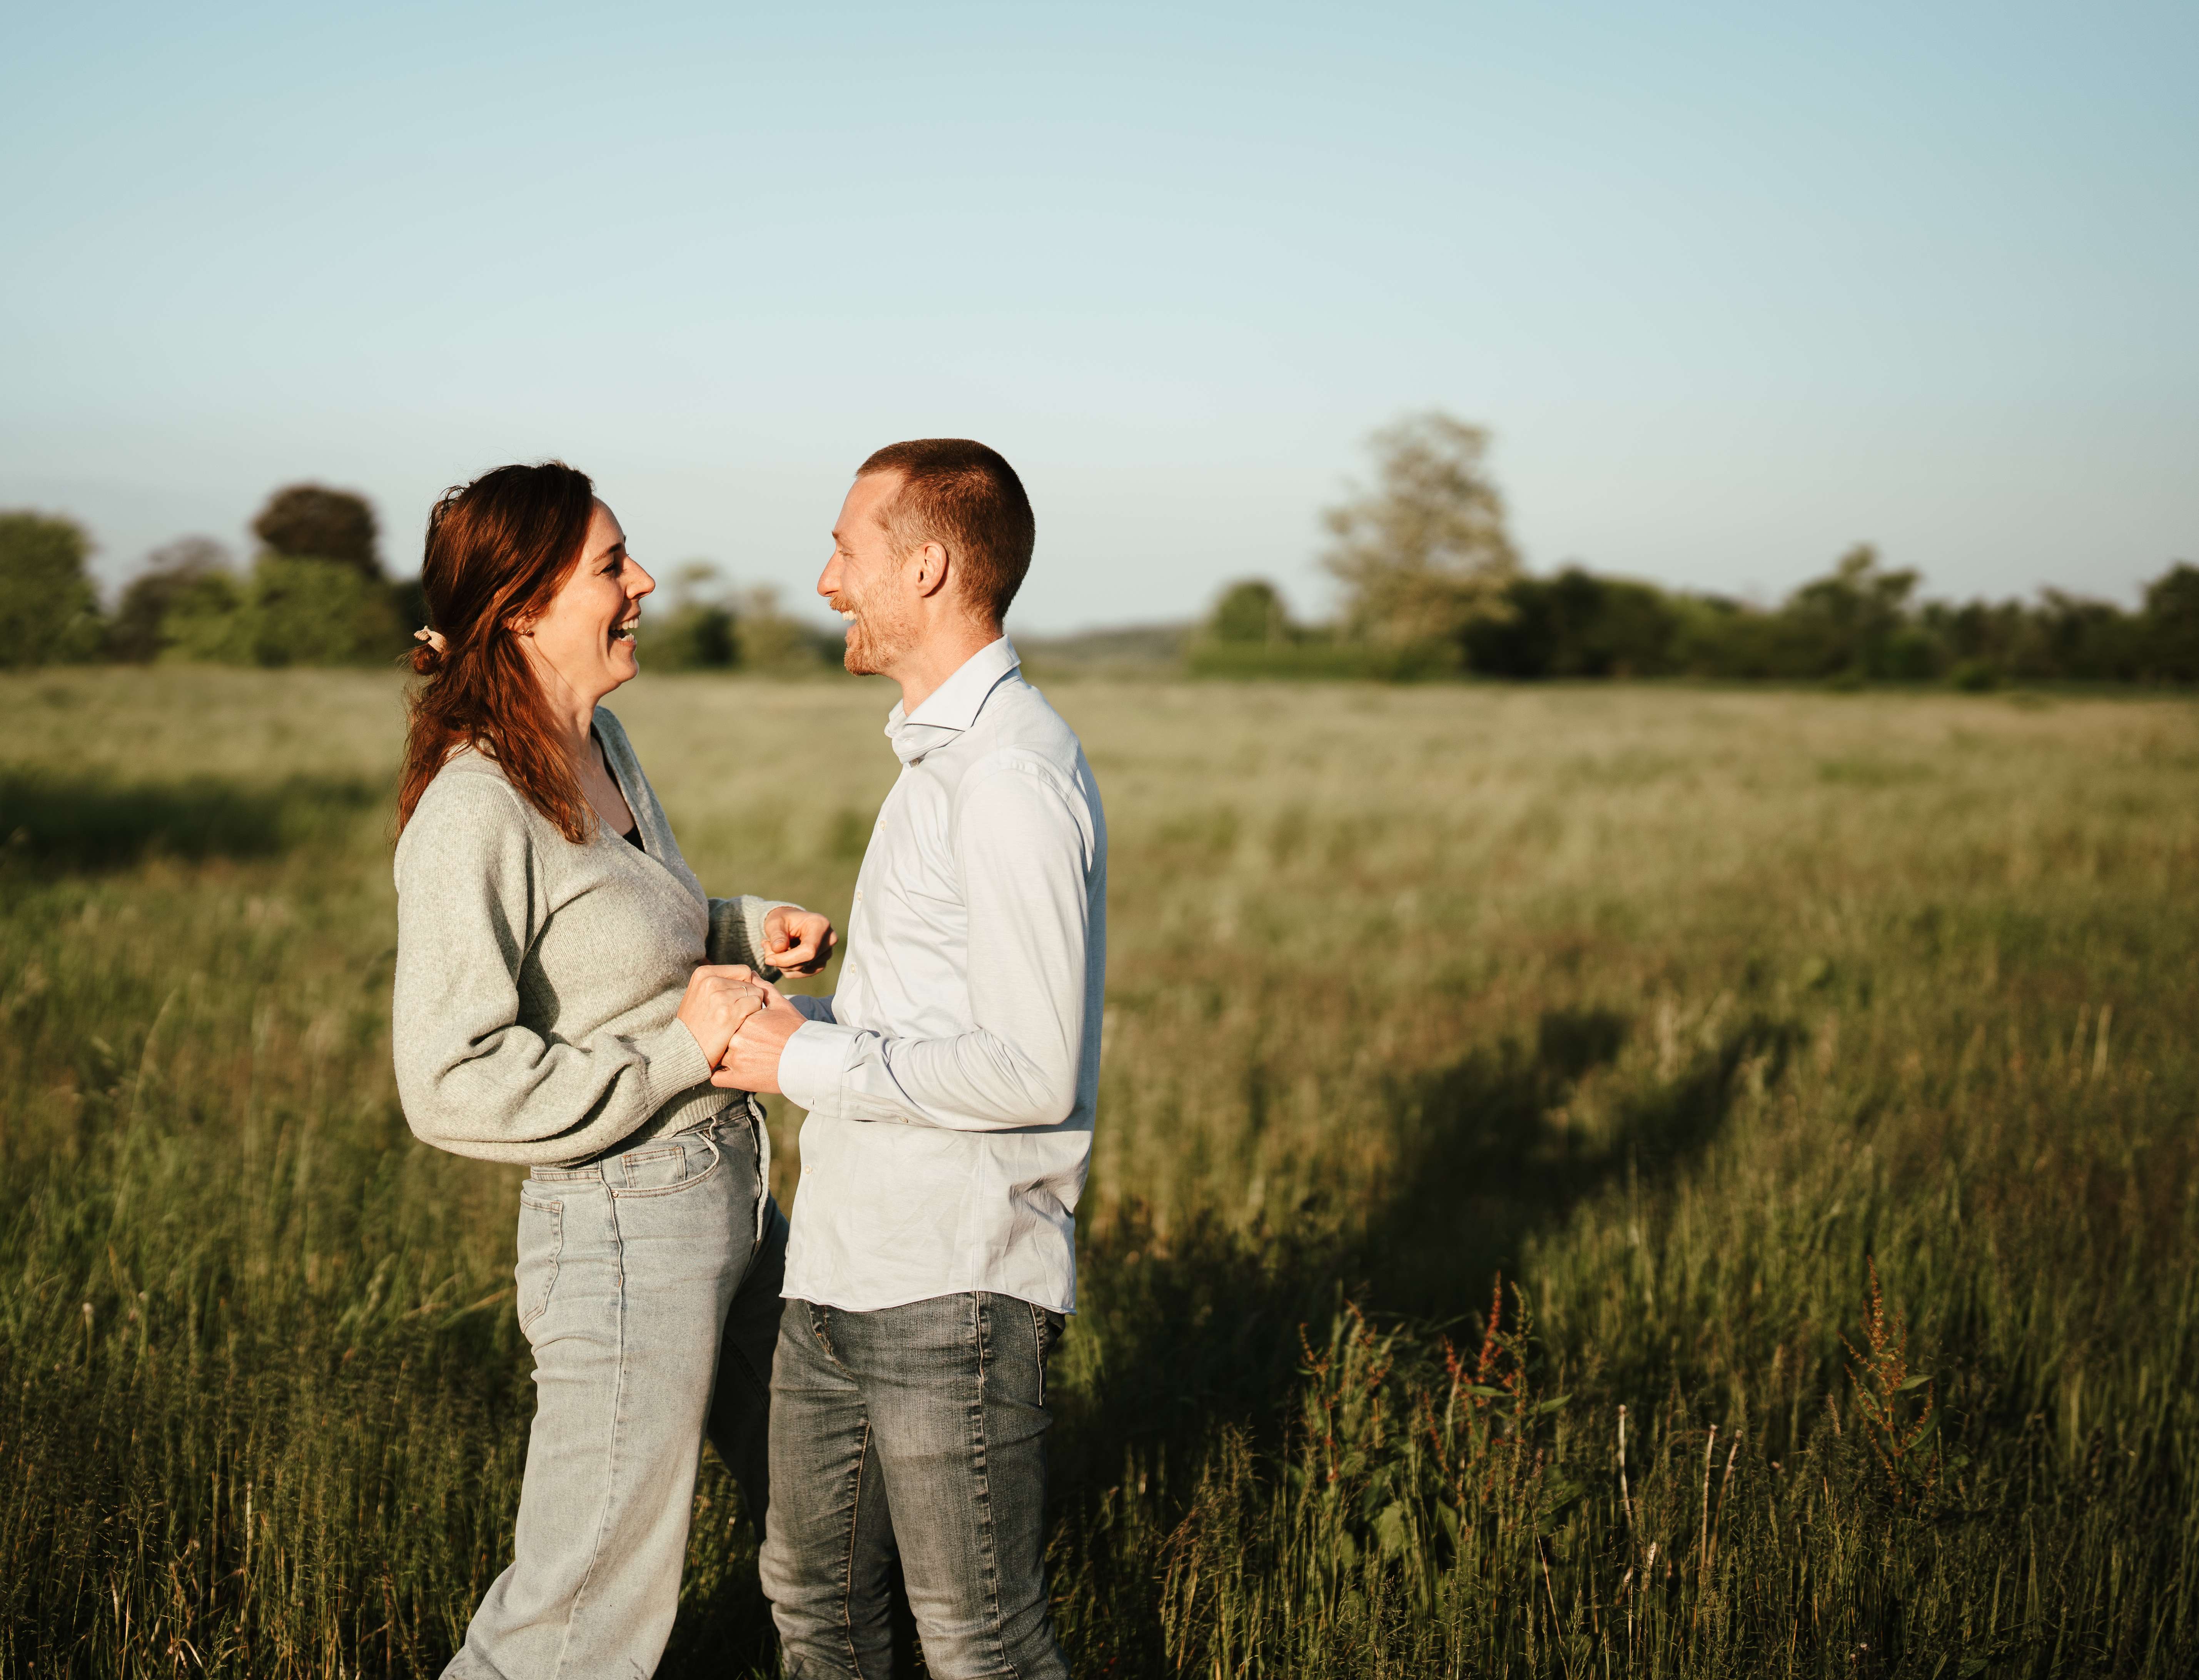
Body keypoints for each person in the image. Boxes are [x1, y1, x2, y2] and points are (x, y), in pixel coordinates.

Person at [389, 460, 835, 1680]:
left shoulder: (605, 744)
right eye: (611, 565)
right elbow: (448, 1079)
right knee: (583, 1610)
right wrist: (680, 1046)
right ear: (525, 604)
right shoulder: (472, 808)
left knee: (833, 1496)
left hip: (734, 1198)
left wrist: (745, 929)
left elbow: (625, 939)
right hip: (624, 1229)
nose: (643, 582)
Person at [717, 439, 1104, 1680]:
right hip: (840, 1265)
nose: (828, 580)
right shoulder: (937, 763)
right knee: (812, 1604)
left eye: (846, 548)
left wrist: (804, 1063)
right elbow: (934, 1019)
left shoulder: (1008, 777)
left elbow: (1031, 1069)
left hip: (953, 1284)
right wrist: (793, 1022)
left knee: (980, 1640)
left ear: (927, 565)